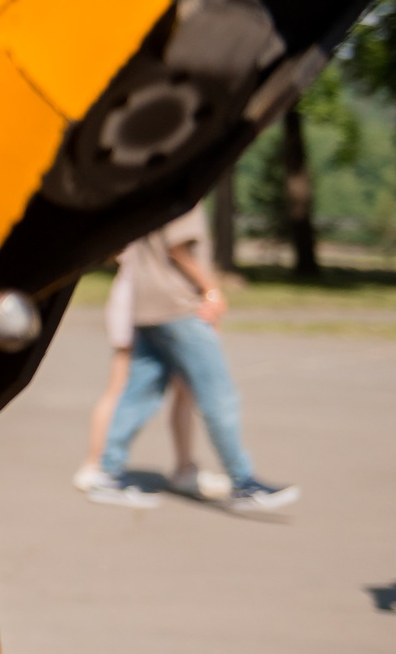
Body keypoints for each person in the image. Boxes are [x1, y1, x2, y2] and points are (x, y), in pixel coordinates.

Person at [90, 203, 298, 516]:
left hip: (146, 305)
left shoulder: (154, 188)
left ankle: (108, 472)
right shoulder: (185, 193)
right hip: (177, 307)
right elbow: (178, 247)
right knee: (218, 393)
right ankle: (242, 481)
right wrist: (211, 288)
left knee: (140, 392)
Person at [75, 262, 217, 506]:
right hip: (149, 300)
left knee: (183, 389)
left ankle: (185, 467)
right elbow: (176, 250)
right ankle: (96, 465)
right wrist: (210, 288)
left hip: (160, 300)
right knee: (122, 385)